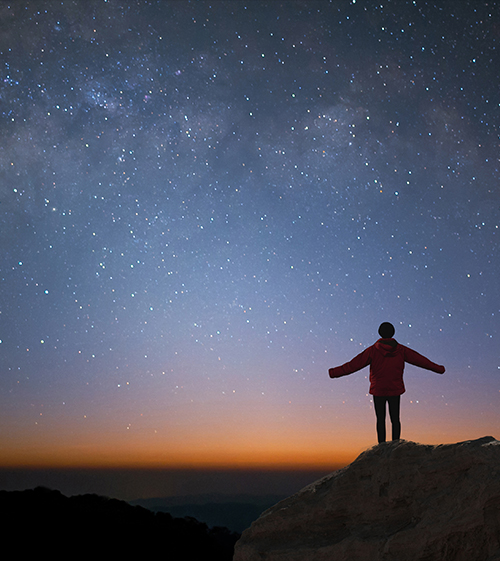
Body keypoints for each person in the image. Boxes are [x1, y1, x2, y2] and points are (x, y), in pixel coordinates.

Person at [328, 322, 445, 443]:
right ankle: (395, 445)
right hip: (395, 389)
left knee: (380, 420)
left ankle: (381, 446)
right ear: (392, 333)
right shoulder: (401, 350)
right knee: (395, 419)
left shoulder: (372, 350)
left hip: (379, 390)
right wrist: (438, 368)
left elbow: (353, 365)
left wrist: (334, 372)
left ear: (380, 333)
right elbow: (421, 361)